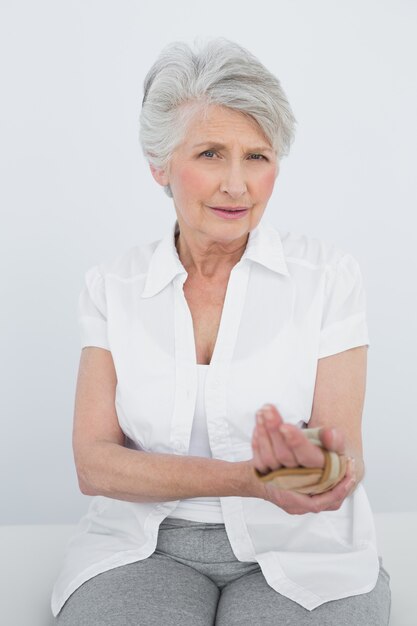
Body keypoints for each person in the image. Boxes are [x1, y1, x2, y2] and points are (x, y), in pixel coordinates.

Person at [52, 38, 391, 625]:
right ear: (158, 163)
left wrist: (319, 468)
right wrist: (250, 479)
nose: (238, 184)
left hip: (303, 547)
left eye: (258, 157)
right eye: (211, 153)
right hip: (142, 546)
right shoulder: (112, 285)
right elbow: (94, 464)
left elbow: (345, 452)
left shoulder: (328, 277)